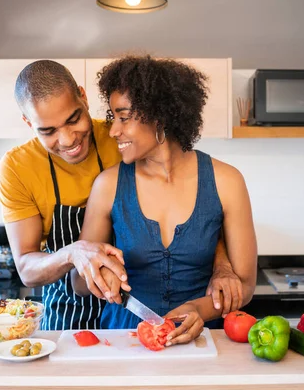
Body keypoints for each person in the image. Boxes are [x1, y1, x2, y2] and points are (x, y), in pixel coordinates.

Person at [0, 60, 244, 331]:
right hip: (68, 306)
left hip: (125, 306)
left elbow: (199, 213)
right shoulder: (17, 168)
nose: (68, 140)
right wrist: (73, 253)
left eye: (74, 119)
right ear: (28, 123)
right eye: (48, 131)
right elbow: (26, 269)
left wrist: (222, 262)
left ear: (84, 96)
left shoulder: (126, 141)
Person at [71, 55, 258, 345]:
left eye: (124, 117)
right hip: (123, 341)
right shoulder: (107, 185)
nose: (113, 131)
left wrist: (199, 308)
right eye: (113, 118)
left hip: (203, 342)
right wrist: (99, 274)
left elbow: (245, 286)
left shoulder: (227, 181)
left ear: (159, 116)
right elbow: (79, 284)